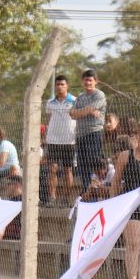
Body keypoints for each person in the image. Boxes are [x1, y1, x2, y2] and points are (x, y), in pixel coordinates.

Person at [110, 119, 140, 279]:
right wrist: (113, 205)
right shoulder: (126, 156)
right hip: (131, 204)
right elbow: (116, 182)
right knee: (133, 244)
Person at [70, 69, 107, 191]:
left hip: (94, 133)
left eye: (90, 80)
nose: (88, 83)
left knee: (93, 162)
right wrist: (88, 111)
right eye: (86, 80)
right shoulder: (80, 97)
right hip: (80, 135)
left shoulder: (99, 95)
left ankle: (97, 188)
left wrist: (82, 111)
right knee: (82, 164)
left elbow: (80, 111)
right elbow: (71, 113)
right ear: (82, 81)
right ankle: (86, 189)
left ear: (95, 81)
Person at [44, 75, 77, 204]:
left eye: (62, 84)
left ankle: (66, 198)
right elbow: (48, 119)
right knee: (52, 169)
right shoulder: (50, 102)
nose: (59, 87)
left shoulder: (74, 100)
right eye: (57, 84)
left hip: (69, 140)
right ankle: (52, 197)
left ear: (67, 86)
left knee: (67, 170)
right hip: (53, 140)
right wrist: (45, 136)